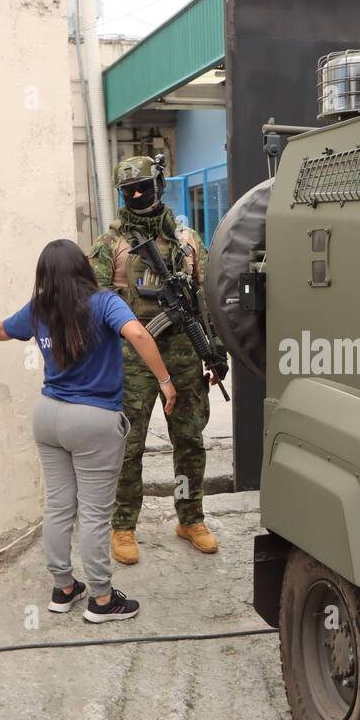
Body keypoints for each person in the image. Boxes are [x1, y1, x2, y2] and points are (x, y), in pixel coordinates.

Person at [0, 239, 176, 623]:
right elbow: (137, 334)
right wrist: (165, 380)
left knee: (58, 506)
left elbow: (3, 329)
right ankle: (101, 600)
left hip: (48, 416)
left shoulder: (40, 308)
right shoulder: (104, 303)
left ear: (45, 275)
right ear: (83, 267)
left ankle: (64, 587)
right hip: (93, 421)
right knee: (96, 513)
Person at [89, 155, 218, 566]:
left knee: (190, 440)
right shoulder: (110, 246)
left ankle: (190, 516)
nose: (139, 195)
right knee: (129, 445)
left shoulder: (187, 239)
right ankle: (123, 524)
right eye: (130, 191)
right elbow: (92, 305)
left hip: (184, 353)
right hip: (131, 360)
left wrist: (214, 352)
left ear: (160, 186)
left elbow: (207, 300)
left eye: (145, 187)